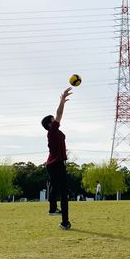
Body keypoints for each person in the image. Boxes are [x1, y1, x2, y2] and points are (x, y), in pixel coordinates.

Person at [41, 87, 72, 230]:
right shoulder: (52, 131)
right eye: (53, 120)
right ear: (49, 124)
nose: (56, 120)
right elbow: (59, 113)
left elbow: (58, 115)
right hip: (55, 164)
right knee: (63, 192)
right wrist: (62, 101)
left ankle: (54, 210)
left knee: (58, 189)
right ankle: (63, 220)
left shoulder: (56, 131)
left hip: (56, 163)